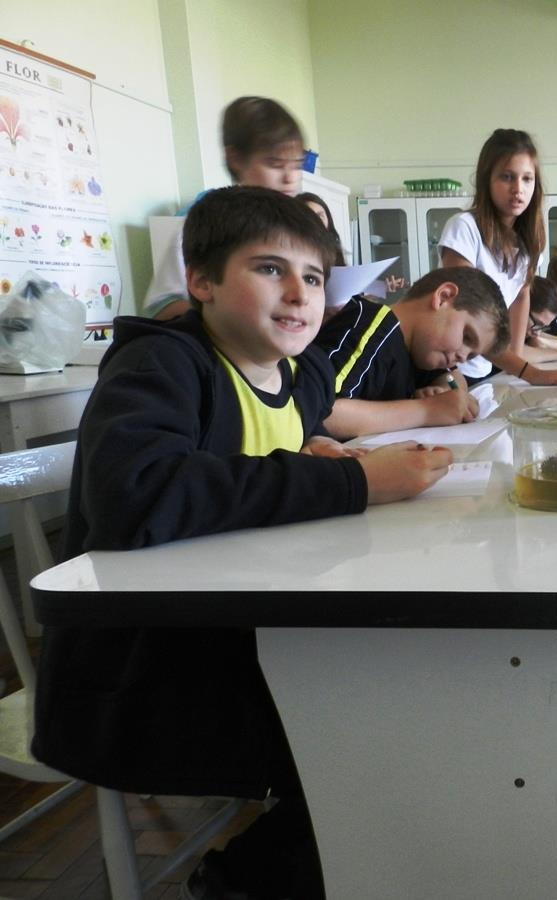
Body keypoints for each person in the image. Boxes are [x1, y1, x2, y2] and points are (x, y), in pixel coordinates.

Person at [32, 186, 453, 900]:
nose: (298, 293)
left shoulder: (301, 374)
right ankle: (247, 880)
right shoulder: (161, 365)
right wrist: (352, 483)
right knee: (391, 730)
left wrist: (319, 452)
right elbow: (137, 495)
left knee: (413, 699)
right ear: (201, 281)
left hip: (255, 636)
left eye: (313, 277)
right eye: (269, 269)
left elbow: (265, 455)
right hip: (149, 674)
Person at [144, 96, 308, 321]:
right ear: (236, 160)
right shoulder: (206, 223)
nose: (290, 178)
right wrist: (231, 314)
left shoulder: (297, 228)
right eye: (275, 164)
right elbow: (162, 308)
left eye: (297, 165)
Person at [439, 128, 557, 386]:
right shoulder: (464, 228)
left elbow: (521, 295)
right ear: (486, 179)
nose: (518, 189)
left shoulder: (528, 243)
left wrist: (517, 361)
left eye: (527, 179)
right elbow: (468, 317)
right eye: (507, 177)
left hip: (489, 366)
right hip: (449, 366)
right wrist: (530, 373)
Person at [315, 267, 510, 439]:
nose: (462, 357)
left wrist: (446, 393)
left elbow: (454, 378)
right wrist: (427, 410)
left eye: (471, 356)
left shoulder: (422, 351)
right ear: (443, 298)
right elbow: (321, 412)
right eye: (467, 337)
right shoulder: (372, 325)